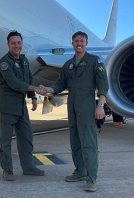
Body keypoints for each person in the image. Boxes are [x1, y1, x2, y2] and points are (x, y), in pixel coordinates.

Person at [40, 31, 108, 192]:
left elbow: (103, 85)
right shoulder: (68, 65)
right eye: (76, 41)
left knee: (89, 144)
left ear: (86, 43)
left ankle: (91, 179)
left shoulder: (94, 61)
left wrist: (101, 105)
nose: (79, 43)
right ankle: (80, 171)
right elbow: (60, 84)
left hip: (87, 108)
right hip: (72, 108)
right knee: (75, 141)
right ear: (72, 43)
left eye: (82, 41)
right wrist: (47, 89)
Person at [0, 30, 46, 181]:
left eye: (19, 43)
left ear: (21, 44)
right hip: (7, 106)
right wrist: (35, 89)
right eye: (13, 43)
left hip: (21, 107)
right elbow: (14, 83)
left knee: (26, 138)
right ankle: (7, 170)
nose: (17, 46)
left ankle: (28, 167)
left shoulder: (23, 60)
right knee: (6, 141)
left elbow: (29, 78)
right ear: (8, 44)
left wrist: (33, 97)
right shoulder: (3, 63)